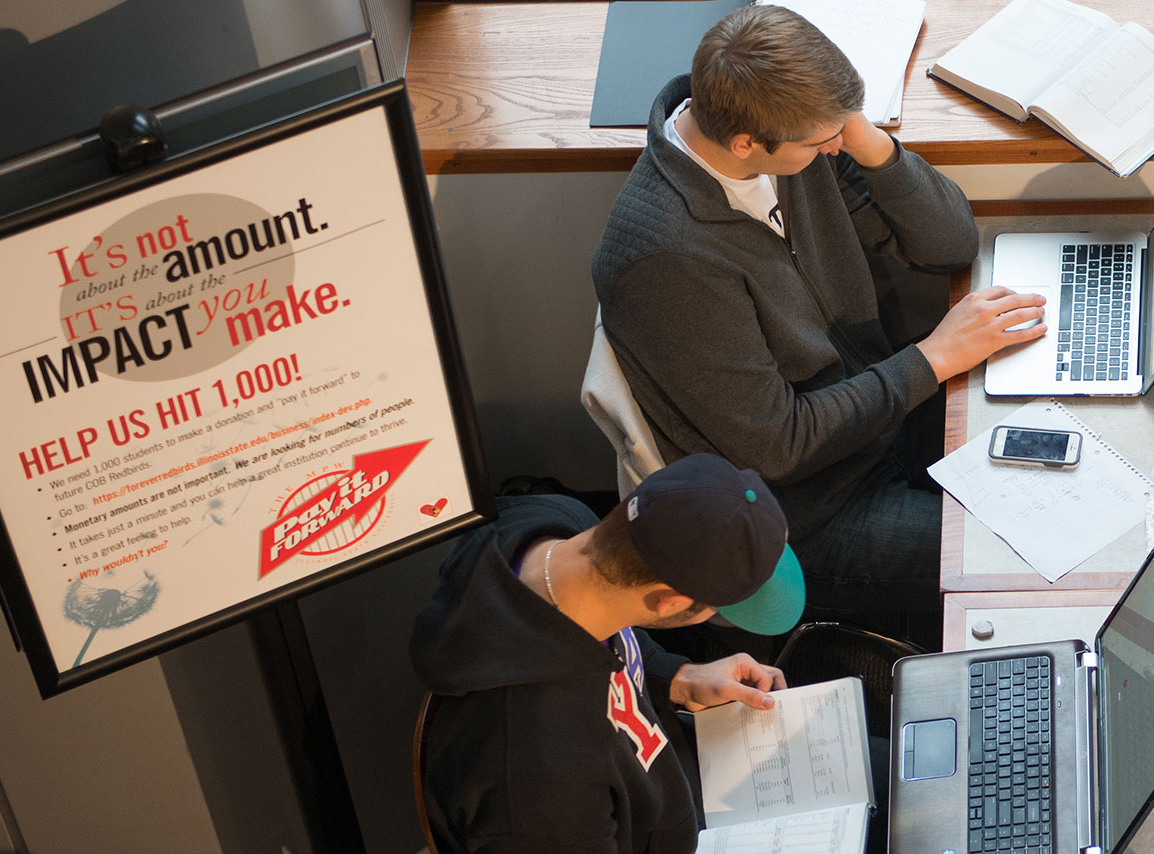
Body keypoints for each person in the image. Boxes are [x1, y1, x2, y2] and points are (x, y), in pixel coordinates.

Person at [591, 6, 1044, 638]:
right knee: (1024, 546)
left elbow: (948, 245)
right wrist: (934, 359)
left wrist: (857, 132)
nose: (834, 146)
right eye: (821, 139)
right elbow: (778, 446)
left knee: (1059, 431)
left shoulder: (785, 148)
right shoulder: (665, 261)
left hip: (878, 418)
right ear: (748, 142)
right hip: (813, 509)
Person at [413, 453, 807, 853]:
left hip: (675, 784)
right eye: (718, 606)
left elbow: (611, 655)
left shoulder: (563, 530)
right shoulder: (538, 781)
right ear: (668, 602)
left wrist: (677, 676)